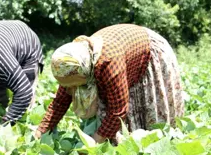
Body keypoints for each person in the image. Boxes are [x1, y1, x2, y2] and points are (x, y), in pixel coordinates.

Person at [35, 24, 184, 143]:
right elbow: (60, 101)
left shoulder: (108, 63)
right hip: (123, 51)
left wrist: (95, 141)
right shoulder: (72, 65)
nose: (72, 89)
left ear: (86, 72)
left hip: (149, 52)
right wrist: (40, 131)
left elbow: (118, 110)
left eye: (74, 85)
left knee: (145, 123)